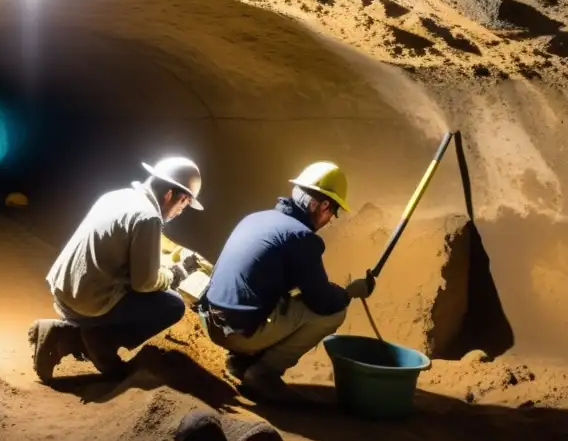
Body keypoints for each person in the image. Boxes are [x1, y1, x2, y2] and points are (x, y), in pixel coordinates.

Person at [197, 161, 375, 403]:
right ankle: (263, 374)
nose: (329, 220)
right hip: (238, 333)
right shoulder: (301, 236)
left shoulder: (256, 218)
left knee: (284, 300)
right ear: (322, 205)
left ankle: (240, 362)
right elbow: (323, 303)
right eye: (333, 213)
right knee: (334, 314)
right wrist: (350, 293)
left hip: (212, 323)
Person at [28, 156, 205, 382]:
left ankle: (77, 335)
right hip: (87, 304)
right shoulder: (148, 217)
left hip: (63, 292)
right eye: (185, 203)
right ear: (169, 195)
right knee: (172, 305)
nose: (181, 211)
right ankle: (92, 340)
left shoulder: (116, 196)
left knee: (144, 290)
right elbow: (144, 283)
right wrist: (173, 275)